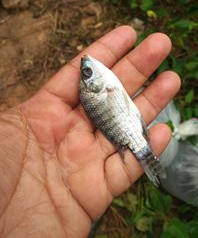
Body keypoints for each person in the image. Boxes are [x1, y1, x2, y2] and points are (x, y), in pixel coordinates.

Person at [0, 26, 180, 238]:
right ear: (93, 84)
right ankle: (146, 157)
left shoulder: (101, 87)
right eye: (88, 73)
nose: (87, 65)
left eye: (86, 72)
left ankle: (147, 160)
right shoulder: (102, 87)